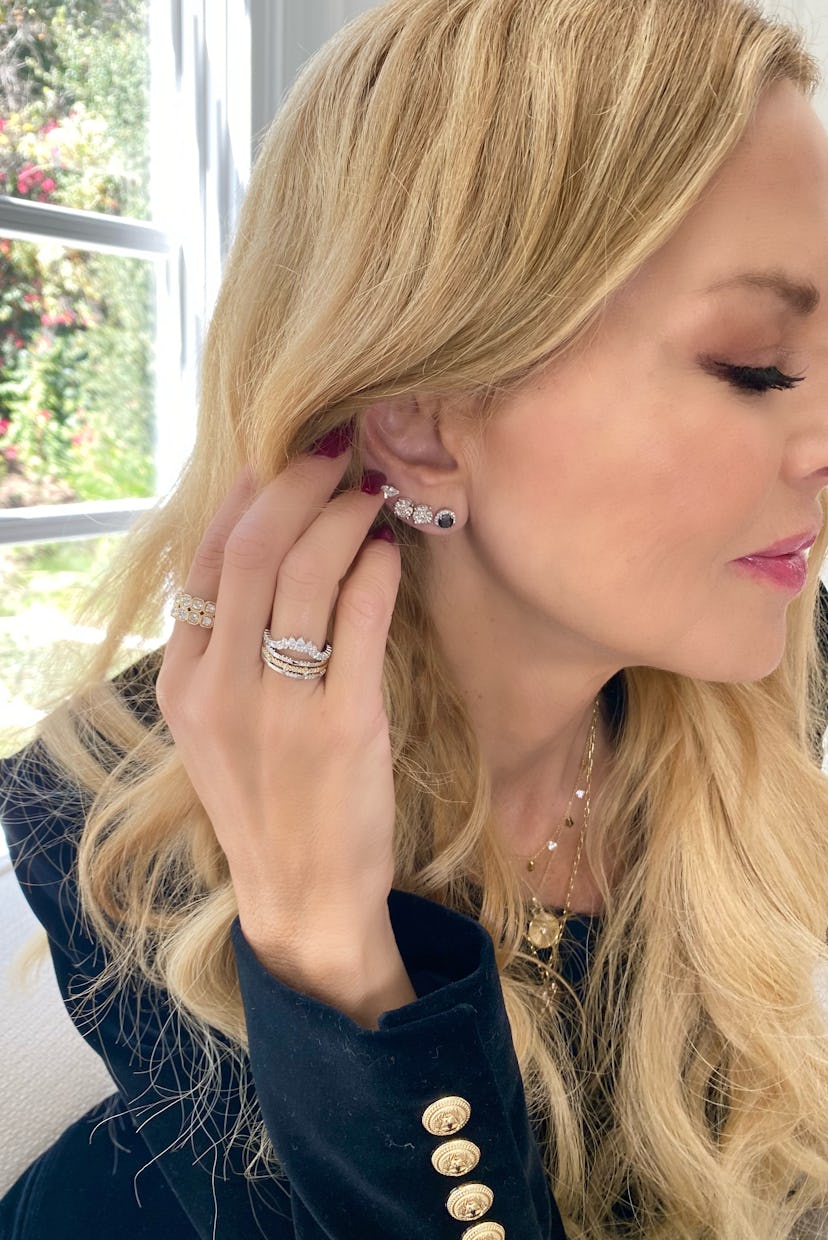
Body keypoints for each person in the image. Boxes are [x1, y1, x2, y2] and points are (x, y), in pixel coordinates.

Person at [3, 0, 828, 1236]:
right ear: (419, 424)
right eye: (757, 365)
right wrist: (323, 954)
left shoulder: (768, 687)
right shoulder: (118, 822)